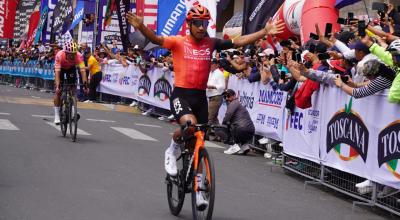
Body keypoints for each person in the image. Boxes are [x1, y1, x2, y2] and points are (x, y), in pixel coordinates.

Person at [127, 4, 284, 209]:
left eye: (205, 23)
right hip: (181, 94)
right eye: (198, 23)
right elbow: (156, 39)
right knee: (189, 125)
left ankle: (200, 188)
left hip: (200, 98)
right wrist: (141, 27)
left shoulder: (211, 43)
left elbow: (237, 42)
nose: (202, 27)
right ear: (189, 24)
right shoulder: (178, 41)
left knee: (197, 146)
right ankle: (172, 150)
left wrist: (264, 31)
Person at [53, 41, 88, 124]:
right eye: (70, 54)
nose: (72, 56)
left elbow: (83, 71)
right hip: (60, 68)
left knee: (73, 89)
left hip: (71, 68)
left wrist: (85, 85)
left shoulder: (79, 56)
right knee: (58, 92)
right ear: (66, 53)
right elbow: (57, 73)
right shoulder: (59, 55)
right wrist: (57, 86)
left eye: (74, 53)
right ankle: (57, 115)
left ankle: (72, 111)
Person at [222, 89, 255, 155]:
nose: (226, 98)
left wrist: (223, 124)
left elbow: (227, 116)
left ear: (234, 96)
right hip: (250, 131)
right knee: (233, 124)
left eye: (228, 96)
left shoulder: (234, 103)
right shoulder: (237, 103)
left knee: (222, 127)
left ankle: (233, 145)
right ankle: (244, 147)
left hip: (242, 129)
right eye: (225, 96)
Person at [206, 58, 225, 125]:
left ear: (217, 65)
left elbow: (223, 86)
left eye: (212, 64)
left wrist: (213, 86)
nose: (210, 65)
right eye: (209, 64)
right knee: (214, 118)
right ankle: (220, 134)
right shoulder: (210, 73)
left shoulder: (219, 73)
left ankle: (205, 135)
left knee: (209, 118)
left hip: (216, 97)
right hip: (211, 97)